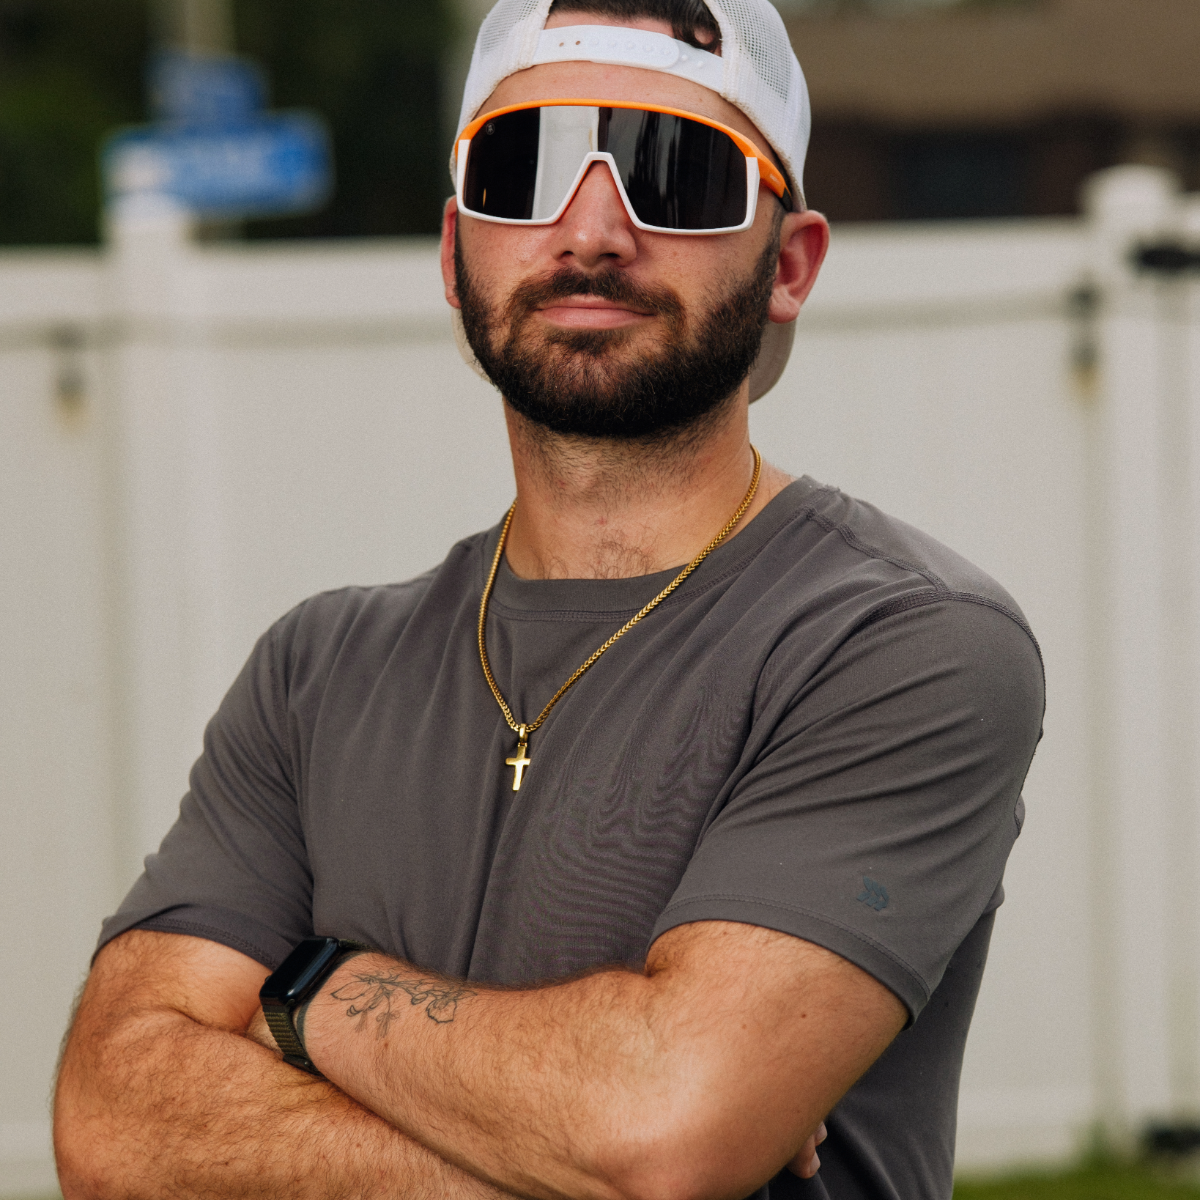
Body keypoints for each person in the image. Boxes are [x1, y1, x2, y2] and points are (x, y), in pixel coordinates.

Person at [54, 1, 1044, 1197]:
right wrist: (573, 1136)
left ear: (788, 264)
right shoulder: (317, 670)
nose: (592, 229)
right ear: (453, 250)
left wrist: (310, 991)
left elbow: (665, 1129)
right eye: (523, 167)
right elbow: (110, 1123)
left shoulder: (901, 642)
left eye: (675, 173)